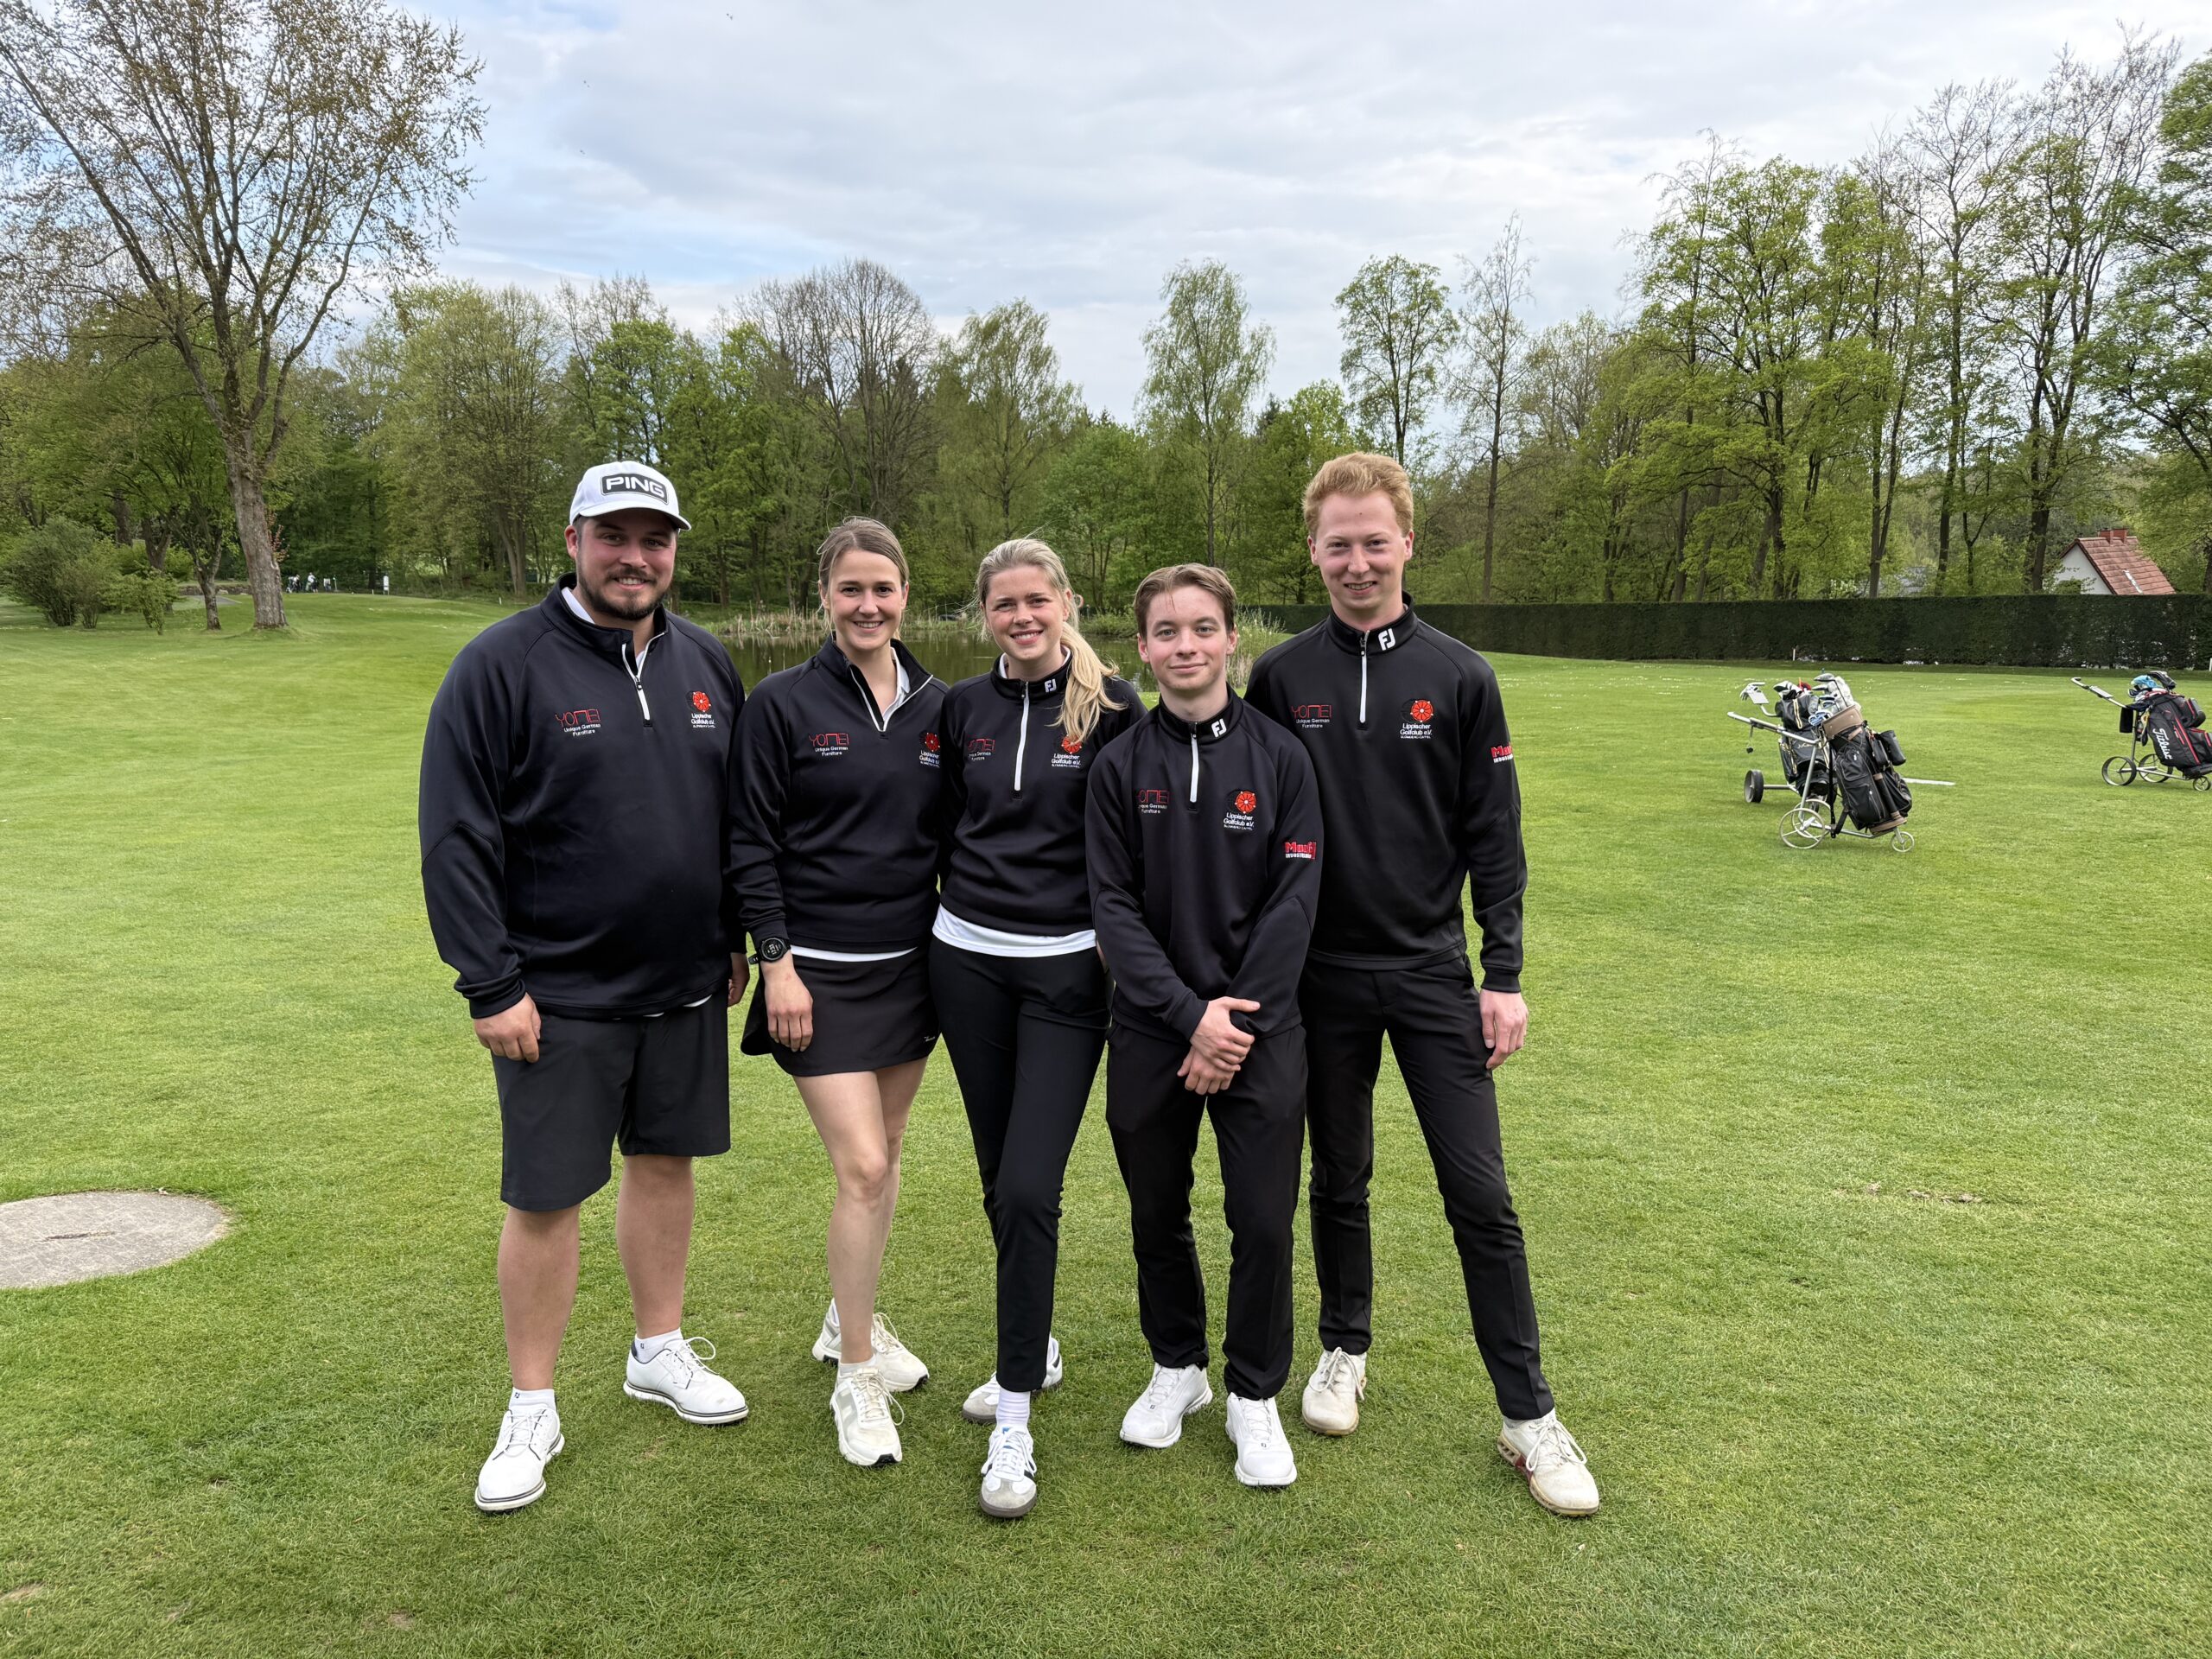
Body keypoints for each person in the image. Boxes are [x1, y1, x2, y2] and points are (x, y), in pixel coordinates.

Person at [1245, 451, 1599, 1517]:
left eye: (1374, 541)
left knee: (1479, 1194)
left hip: (1432, 972)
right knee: (1338, 1176)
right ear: (1314, 551)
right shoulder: (1280, 677)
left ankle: (1529, 1417)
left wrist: (1504, 974)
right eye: (1337, 544)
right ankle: (1344, 1347)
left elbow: (1495, 836)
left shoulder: (1460, 676)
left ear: (1406, 542)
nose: (1357, 561)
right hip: (1319, 978)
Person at [418, 460, 752, 1516]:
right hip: (554, 997)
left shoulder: (706, 661)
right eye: (614, 535)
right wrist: (489, 983)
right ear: (572, 541)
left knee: (665, 1166)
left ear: (673, 550)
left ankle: (658, 1349)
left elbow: (733, 819)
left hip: (684, 985)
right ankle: (532, 1406)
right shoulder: (501, 663)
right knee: (546, 1197)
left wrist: (733, 938)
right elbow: (456, 837)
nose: (634, 557)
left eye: (654, 538)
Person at [1085, 563, 1323, 1489]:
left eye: (1201, 628)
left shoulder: (1282, 757)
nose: (1184, 646)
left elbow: (1294, 902)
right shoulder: (1119, 766)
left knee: (1262, 1219)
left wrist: (1230, 1027)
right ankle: (1177, 1367)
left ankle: (1253, 1393)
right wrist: (1190, 1018)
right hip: (1154, 1029)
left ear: (1232, 639)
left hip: (1263, 1031)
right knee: (1156, 1210)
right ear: (1142, 650)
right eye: (1165, 632)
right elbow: (1113, 909)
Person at [728, 518, 949, 1469]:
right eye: (850, 589)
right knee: (861, 1166)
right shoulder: (780, 703)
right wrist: (776, 962)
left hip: (912, 972)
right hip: (814, 979)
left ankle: (843, 1319)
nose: (867, 605)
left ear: (905, 595)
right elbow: (749, 842)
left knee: (886, 1155)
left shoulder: (942, 707)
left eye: (882, 589)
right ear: (824, 595)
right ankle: (855, 1373)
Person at [931, 538, 1144, 1519]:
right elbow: (939, 828)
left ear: (1067, 602)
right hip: (965, 965)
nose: (1021, 617)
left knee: (1028, 1185)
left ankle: (1013, 1419)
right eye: (1003, 604)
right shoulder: (960, 710)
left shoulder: (1113, 710)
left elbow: (1138, 846)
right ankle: (1037, 1346)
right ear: (984, 613)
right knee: (998, 1180)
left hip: (1068, 976)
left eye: (1036, 600)